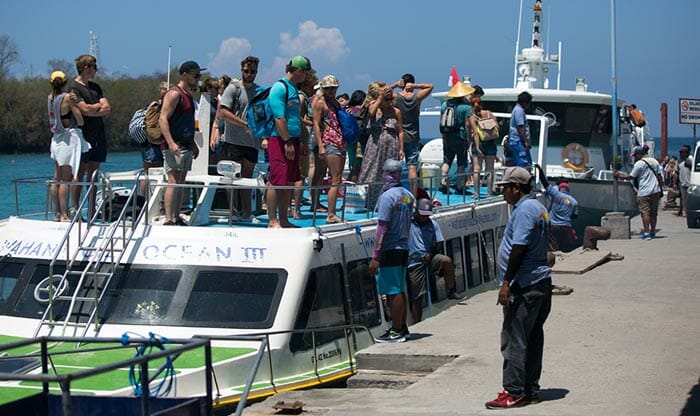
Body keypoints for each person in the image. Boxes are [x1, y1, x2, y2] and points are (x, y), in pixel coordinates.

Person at [486, 166, 552, 409]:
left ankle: (513, 391)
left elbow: (519, 247)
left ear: (516, 188)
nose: (503, 193)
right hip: (541, 282)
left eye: (506, 188)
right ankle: (530, 389)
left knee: (515, 339)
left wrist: (506, 283)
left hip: (525, 285)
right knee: (533, 338)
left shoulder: (524, 210)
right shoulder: (540, 207)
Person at [370, 159, 415, 343]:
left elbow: (382, 228)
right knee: (399, 288)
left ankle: (396, 330)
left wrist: (375, 256)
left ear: (385, 174)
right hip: (404, 247)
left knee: (391, 290)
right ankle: (402, 326)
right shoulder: (408, 195)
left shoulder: (387, 197)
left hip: (390, 248)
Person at [266, 55, 312, 229]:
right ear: (299, 71)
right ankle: (272, 220)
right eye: (306, 73)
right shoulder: (280, 87)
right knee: (277, 181)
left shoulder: (294, 89)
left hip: (293, 139)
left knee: (289, 181)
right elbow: (279, 117)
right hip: (280, 140)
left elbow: (295, 119)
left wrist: (300, 141)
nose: (307, 76)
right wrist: (286, 142)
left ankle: (283, 219)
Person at [214, 56, 261, 221]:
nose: (249, 74)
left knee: (247, 179)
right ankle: (233, 213)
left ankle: (247, 214)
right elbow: (223, 113)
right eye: (246, 71)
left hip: (252, 142)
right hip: (233, 140)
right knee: (232, 179)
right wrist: (243, 124)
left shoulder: (259, 91)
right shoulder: (233, 88)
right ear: (242, 70)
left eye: (253, 71)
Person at [159, 60, 203, 225]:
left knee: (181, 180)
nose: (198, 78)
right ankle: (169, 218)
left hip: (186, 143)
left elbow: (188, 122)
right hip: (175, 143)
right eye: (195, 75)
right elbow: (163, 118)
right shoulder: (174, 94)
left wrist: (192, 144)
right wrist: (170, 142)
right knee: (173, 180)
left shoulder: (188, 96)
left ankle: (176, 216)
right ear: (185, 75)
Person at [71, 54, 111, 218]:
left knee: (93, 174)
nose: (96, 70)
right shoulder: (74, 89)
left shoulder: (96, 87)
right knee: (79, 173)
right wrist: (96, 108)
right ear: (86, 68)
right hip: (83, 136)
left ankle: (93, 210)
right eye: (95, 67)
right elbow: (84, 110)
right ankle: (76, 208)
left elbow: (107, 107)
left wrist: (92, 109)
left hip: (98, 134)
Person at [407, 198, 459, 323]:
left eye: (427, 216)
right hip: (414, 262)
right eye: (422, 215)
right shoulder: (408, 223)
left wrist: (431, 253)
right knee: (418, 296)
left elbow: (440, 243)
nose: (424, 218)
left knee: (446, 261)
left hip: (430, 258)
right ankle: (417, 322)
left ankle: (451, 290)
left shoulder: (433, 224)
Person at [47, 70, 89, 222]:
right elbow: (80, 119)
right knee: (66, 178)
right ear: (64, 82)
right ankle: (65, 214)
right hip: (67, 140)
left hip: (55, 140)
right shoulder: (67, 98)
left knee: (56, 177)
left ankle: (56, 213)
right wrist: (76, 101)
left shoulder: (50, 98)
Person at [358, 82, 404, 210]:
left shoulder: (396, 112)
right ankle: (365, 201)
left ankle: (385, 202)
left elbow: (400, 131)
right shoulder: (374, 106)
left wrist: (401, 148)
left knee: (389, 173)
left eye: (391, 99)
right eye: (386, 99)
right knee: (371, 171)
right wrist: (380, 98)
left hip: (392, 144)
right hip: (375, 144)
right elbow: (371, 113)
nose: (389, 102)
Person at [312, 75, 346, 224]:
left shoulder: (335, 102)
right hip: (330, 141)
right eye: (328, 88)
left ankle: (331, 212)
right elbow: (316, 124)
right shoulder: (320, 102)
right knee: (335, 178)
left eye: (333, 88)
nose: (331, 91)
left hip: (339, 141)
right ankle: (331, 214)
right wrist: (320, 145)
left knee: (337, 178)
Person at [394, 74, 433, 196]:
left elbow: (381, 92)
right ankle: (413, 195)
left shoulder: (396, 97)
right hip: (413, 135)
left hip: (398, 136)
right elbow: (430, 86)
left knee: (395, 167)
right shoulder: (417, 97)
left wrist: (395, 84)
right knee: (412, 167)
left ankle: (394, 192)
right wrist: (415, 86)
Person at [613, 145, 663, 240]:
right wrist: (660, 188)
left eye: (635, 155)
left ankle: (647, 233)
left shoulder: (639, 164)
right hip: (655, 190)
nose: (634, 157)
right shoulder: (655, 161)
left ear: (640, 154)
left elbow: (631, 176)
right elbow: (659, 176)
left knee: (645, 212)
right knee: (653, 213)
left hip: (644, 191)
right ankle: (653, 231)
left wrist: (618, 175)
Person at [438, 81, 473, 194]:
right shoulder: (466, 107)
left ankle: (443, 182)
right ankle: (459, 186)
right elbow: (468, 125)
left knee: (447, 161)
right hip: (460, 136)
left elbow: (441, 121)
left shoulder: (444, 105)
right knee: (461, 162)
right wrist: (469, 139)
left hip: (447, 136)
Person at [534, 164, 579, 252]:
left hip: (553, 226)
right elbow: (575, 216)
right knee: (566, 249)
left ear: (559, 188)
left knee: (554, 248)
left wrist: (540, 171)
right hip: (566, 227)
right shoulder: (574, 202)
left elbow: (545, 183)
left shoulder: (556, 194)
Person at [139, 81, 168, 197]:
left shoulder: (152, 105)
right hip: (154, 144)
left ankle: (148, 201)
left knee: (148, 173)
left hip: (150, 143)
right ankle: (147, 201)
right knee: (149, 173)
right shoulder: (158, 107)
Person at [468, 97, 499, 197]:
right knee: (490, 169)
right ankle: (489, 193)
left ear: (472, 106)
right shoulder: (490, 114)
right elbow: (497, 128)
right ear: (481, 104)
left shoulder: (472, 117)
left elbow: (476, 133)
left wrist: (477, 148)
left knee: (477, 169)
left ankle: (476, 193)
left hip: (480, 143)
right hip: (491, 143)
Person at [508, 91, 533, 168]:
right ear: (525, 102)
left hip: (516, 141)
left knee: (525, 163)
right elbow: (521, 127)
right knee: (524, 163)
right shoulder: (519, 111)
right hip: (518, 141)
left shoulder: (516, 109)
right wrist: (526, 141)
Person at [678, 145, 692, 217]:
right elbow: (677, 172)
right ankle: (685, 212)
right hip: (682, 183)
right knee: (683, 199)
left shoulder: (691, 160)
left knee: (690, 199)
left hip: (690, 183)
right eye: (680, 152)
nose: (680, 154)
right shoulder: (680, 161)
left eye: (682, 152)